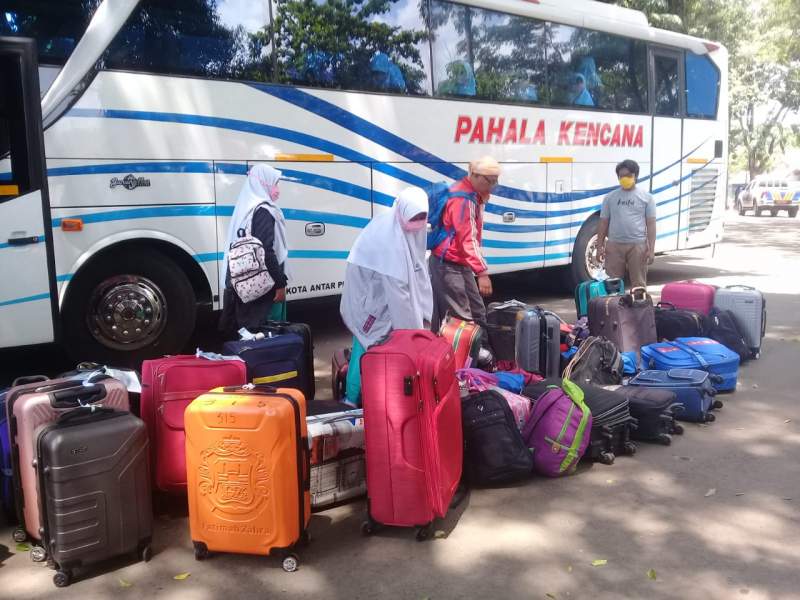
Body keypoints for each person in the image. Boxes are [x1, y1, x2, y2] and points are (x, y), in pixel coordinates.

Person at [339, 186, 433, 407]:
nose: (418, 223)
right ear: (401, 211)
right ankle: (352, 401)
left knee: (372, 346)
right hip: (367, 303)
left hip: (376, 297)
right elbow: (399, 297)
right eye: (414, 217)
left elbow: (416, 274)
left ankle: (364, 397)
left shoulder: (397, 225)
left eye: (422, 217)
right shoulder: (388, 241)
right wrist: (415, 337)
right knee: (369, 343)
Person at [429, 156, 500, 331]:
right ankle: (468, 356)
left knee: (477, 312)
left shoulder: (471, 193)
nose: (493, 186)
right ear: (475, 176)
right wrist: (482, 273)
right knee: (462, 319)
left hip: (459, 263)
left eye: (495, 181)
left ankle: (482, 353)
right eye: (490, 180)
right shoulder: (464, 198)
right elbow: (468, 239)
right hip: (448, 266)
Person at [219, 164, 289, 333]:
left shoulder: (246, 209)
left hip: (248, 284)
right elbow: (266, 250)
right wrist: (280, 284)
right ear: (264, 183)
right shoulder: (263, 211)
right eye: (275, 183)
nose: (277, 189)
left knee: (248, 331)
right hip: (266, 285)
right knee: (269, 330)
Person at [595, 159, 656, 288]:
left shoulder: (647, 198)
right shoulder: (609, 198)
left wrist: (651, 249)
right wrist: (599, 247)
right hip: (614, 246)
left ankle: (639, 308)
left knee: (639, 286)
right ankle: (613, 308)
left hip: (638, 246)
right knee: (613, 285)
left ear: (636, 176)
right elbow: (603, 223)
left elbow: (651, 224)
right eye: (621, 176)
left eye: (628, 176)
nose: (625, 179)